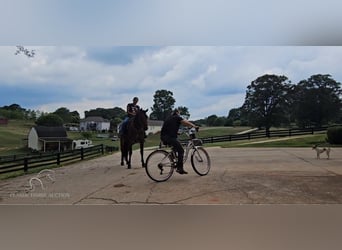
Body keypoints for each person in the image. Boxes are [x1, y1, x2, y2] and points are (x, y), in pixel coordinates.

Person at [160, 109, 199, 174]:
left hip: (164, 137)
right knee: (181, 150)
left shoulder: (169, 118)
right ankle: (179, 168)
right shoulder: (177, 117)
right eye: (179, 113)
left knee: (176, 144)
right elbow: (185, 122)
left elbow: (170, 129)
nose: (179, 114)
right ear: (177, 113)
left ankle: (173, 158)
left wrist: (178, 133)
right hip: (170, 138)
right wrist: (194, 126)